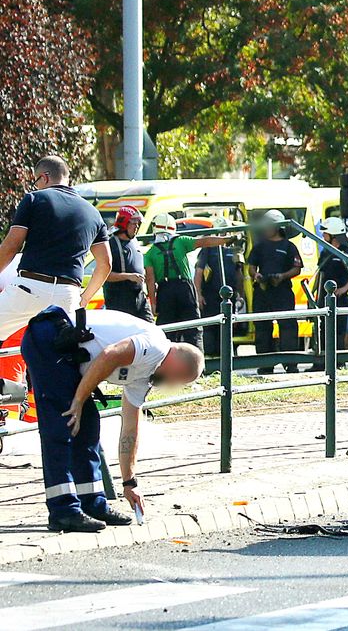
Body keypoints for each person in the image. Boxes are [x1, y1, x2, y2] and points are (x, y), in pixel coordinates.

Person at [22, 306, 204, 532]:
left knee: (88, 428)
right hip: (50, 336)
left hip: (67, 351)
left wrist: (130, 483)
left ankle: (92, 502)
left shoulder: (146, 374)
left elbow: (130, 428)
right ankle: (63, 511)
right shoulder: (155, 346)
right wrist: (78, 400)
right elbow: (111, 354)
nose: (172, 384)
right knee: (63, 425)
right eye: (177, 379)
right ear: (177, 364)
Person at [0, 155, 111, 339]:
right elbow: (106, 264)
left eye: (36, 181)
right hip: (68, 295)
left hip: (29, 287)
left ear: (43, 177)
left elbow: (12, 246)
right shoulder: (93, 212)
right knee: (57, 353)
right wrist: (84, 298)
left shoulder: (34, 199)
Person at [144, 214, 232, 350]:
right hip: (185, 288)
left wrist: (153, 303)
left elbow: (150, 279)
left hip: (165, 291)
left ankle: (167, 367)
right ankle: (198, 367)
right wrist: (225, 240)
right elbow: (204, 242)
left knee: (167, 333)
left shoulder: (150, 253)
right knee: (193, 330)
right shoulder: (181, 241)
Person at [246, 209, 303, 374]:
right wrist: (256, 275)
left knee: (288, 326)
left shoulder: (289, 246)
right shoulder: (259, 246)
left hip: (282, 291)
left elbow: (297, 268)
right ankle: (265, 363)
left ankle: (290, 363)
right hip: (262, 291)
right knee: (262, 326)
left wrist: (282, 276)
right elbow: (251, 267)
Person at [194, 217, 243, 356]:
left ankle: (227, 361)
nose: (223, 235)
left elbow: (239, 272)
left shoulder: (234, 248)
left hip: (230, 295)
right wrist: (198, 294)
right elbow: (199, 271)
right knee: (210, 328)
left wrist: (241, 295)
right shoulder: (207, 248)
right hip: (211, 295)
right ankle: (211, 362)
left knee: (227, 328)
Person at [316, 217, 348, 350]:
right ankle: (322, 361)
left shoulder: (346, 252)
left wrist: (344, 289)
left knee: (339, 329)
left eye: (325, 233)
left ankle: (338, 361)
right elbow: (320, 273)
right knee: (323, 328)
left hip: (340, 298)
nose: (323, 236)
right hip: (323, 297)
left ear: (333, 235)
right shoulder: (326, 252)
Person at [104, 207, 152, 321]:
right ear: (124, 224)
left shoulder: (135, 242)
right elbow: (105, 275)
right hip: (120, 300)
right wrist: (128, 276)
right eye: (134, 223)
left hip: (140, 297)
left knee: (150, 329)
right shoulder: (111, 245)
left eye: (138, 223)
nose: (137, 227)